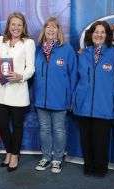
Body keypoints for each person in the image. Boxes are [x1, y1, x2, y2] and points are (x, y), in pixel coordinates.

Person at [73, 21, 114, 177]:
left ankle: (100, 168)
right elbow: (75, 78)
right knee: (85, 139)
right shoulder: (82, 53)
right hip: (83, 104)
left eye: (103, 32)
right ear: (91, 35)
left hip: (104, 106)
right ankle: (88, 165)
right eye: (96, 32)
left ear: (107, 35)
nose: (99, 35)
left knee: (101, 140)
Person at [33, 17, 77, 174]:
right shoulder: (38, 50)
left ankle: (57, 159)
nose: (51, 30)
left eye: (54, 27)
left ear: (59, 31)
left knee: (59, 130)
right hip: (40, 100)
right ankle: (46, 157)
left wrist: (71, 98)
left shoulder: (67, 49)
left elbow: (73, 76)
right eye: (48, 27)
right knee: (44, 129)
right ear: (44, 30)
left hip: (60, 100)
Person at [0, 12, 35, 171]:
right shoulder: (0, 41)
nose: (16, 27)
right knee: (3, 125)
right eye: (13, 24)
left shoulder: (28, 43)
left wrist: (21, 76)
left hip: (18, 92)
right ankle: (9, 151)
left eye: (19, 24)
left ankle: (14, 155)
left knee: (17, 126)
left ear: (23, 26)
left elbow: (31, 68)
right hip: (1, 92)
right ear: (8, 26)